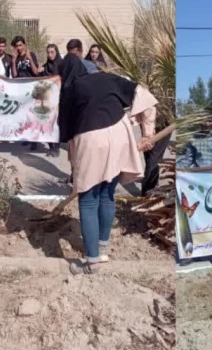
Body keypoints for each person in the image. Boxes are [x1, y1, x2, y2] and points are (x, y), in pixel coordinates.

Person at [58, 54, 158, 275]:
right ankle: (102, 250)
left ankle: (92, 263)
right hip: (120, 133)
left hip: (92, 139)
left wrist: (76, 168)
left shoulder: (71, 89)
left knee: (88, 199)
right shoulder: (111, 78)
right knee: (106, 194)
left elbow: (70, 135)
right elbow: (146, 99)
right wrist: (147, 135)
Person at [42, 44, 64, 158]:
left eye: (52, 52)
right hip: (47, 99)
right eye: (48, 52)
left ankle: (56, 148)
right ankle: (51, 147)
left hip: (58, 99)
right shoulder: (46, 66)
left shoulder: (61, 64)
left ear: (56, 52)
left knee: (55, 123)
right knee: (47, 122)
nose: (50, 55)